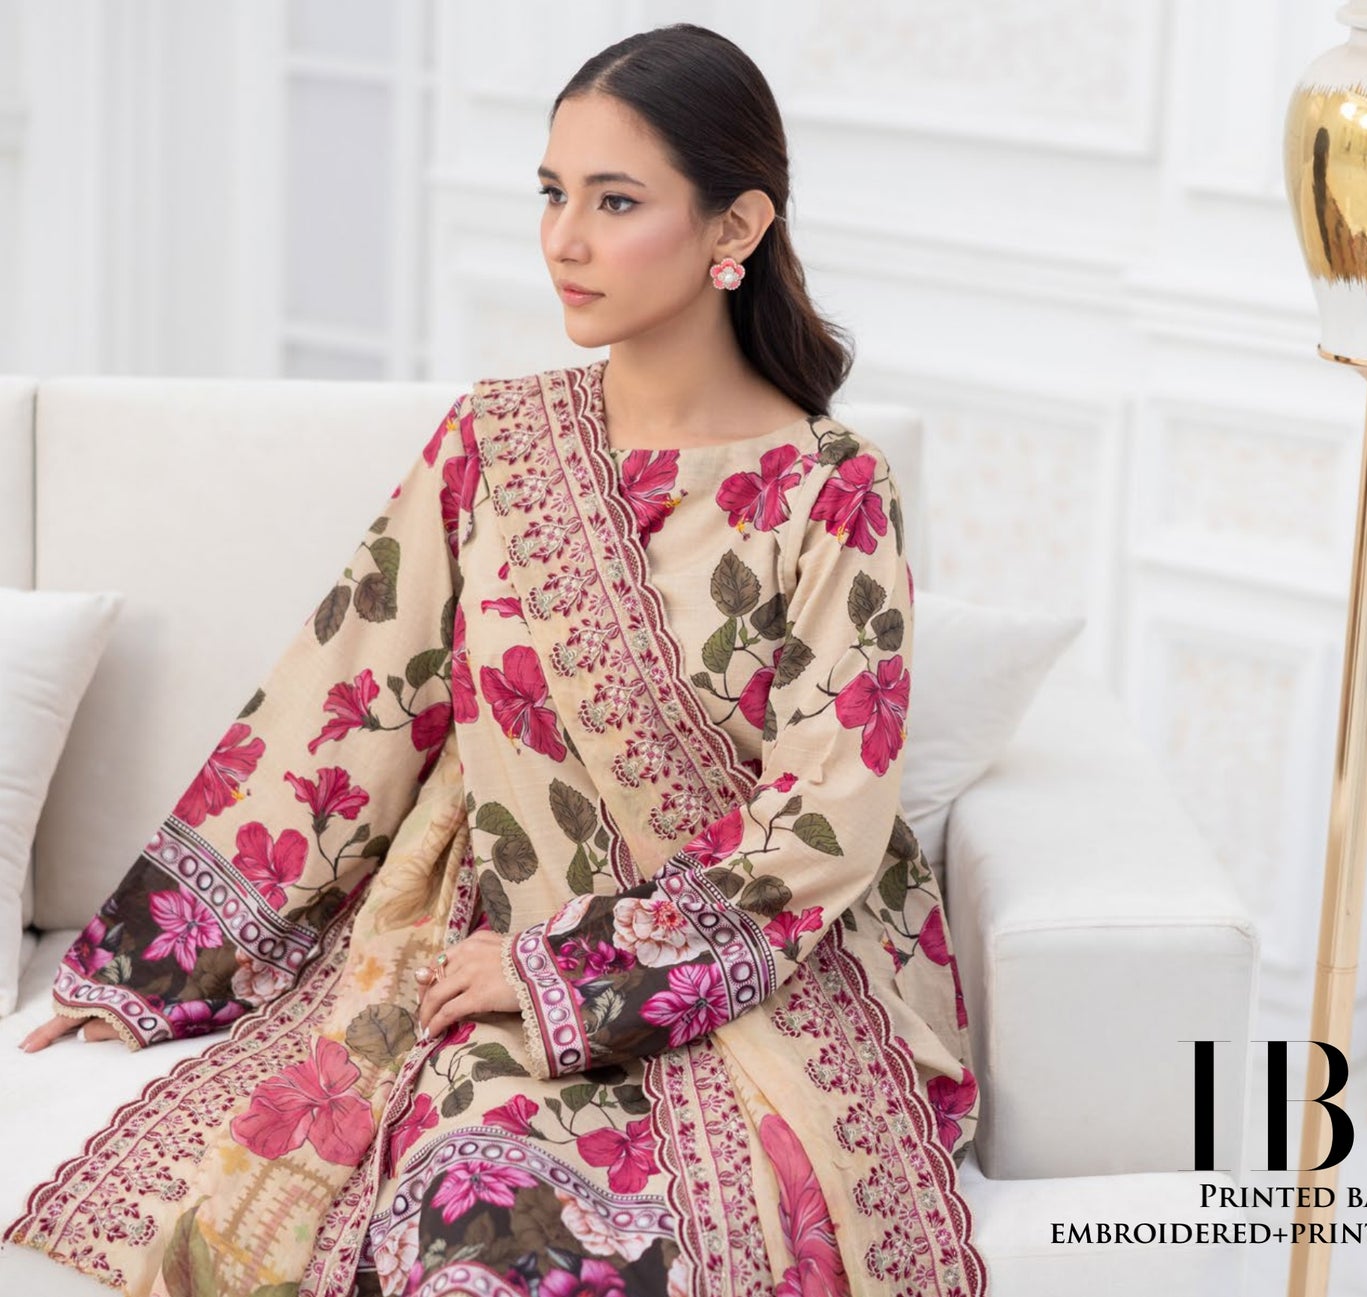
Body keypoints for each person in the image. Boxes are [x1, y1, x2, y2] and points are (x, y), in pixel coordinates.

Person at [5, 23, 984, 1297]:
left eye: (614, 201)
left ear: (735, 226)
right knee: (466, 1222)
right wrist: (152, 958)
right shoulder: (496, 442)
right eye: (550, 192)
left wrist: (572, 971)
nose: (562, 240)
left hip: (757, 979)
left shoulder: (832, 490)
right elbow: (350, 697)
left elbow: (825, 820)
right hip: (489, 948)